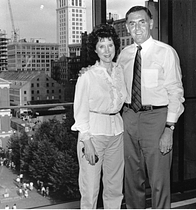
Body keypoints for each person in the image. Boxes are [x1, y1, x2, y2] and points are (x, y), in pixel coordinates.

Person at [119, 6, 185, 209]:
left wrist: (169, 128)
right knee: (131, 178)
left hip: (156, 118)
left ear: (151, 24)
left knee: (159, 180)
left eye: (141, 22)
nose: (137, 28)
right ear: (127, 27)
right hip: (128, 117)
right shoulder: (124, 55)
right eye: (132, 23)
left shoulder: (165, 52)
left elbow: (176, 92)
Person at [71, 23, 127, 209]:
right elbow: (80, 112)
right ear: (95, 49)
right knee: (90, 188)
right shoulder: (87, 76)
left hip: (117, 133)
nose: (107, 50)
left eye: (110, 44)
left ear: (115, 46)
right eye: (101, 45)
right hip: (93, 136)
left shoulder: (120, 72)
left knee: (114, 187)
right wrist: (86, 142)